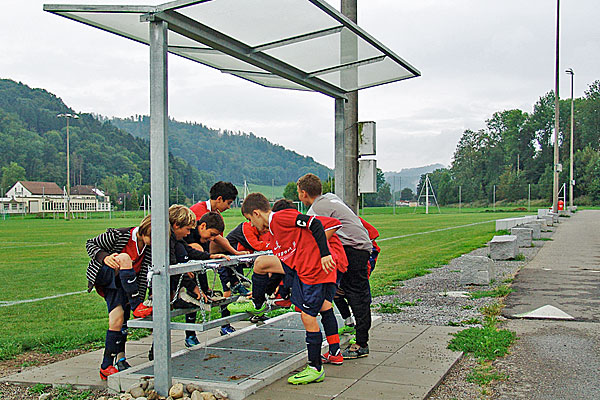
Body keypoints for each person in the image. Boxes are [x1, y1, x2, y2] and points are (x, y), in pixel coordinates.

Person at [228, 193, 346, 384]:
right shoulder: (274, 234)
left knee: (308, 317)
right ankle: (333, 354)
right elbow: (285, 265)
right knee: (323, 308)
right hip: (305, 272)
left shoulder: (281, 217)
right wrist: (270, 290)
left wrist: (322, 253)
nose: (251, 225)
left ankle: (315, 368)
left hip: (315, 271)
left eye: (250, 220)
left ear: (256, 213)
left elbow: (319, 224)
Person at [297, 173, 373, 359]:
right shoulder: (331, 198)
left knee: (356, 294)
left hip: (353, 250)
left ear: (304, 193)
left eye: (298, 192)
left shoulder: (316, 209)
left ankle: (361, 344)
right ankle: (350, 325)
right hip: (361, 246)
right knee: (337, 290)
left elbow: (306, 237)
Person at [85, 215, 153, 380]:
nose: (156, 241)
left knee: (117, 320)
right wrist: (105, 257)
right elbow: (90, 244)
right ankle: (137, 305)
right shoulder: (119, 235)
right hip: (107, 274)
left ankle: (106, 365)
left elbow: (146, 274)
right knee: (124, 257)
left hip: (124, 284)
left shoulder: (149, 248)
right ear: (144, 231)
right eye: (153, 236)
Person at [186, 181, 247, 335]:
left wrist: (233, 253)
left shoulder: (216, 215)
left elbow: (217, 238)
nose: (228, 207)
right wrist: (233, 251)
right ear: (219, 199)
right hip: (190, 257)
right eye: (229, 203)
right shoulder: (199, 211)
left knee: (203, 293)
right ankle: (189, 334)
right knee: (192, 294)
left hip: (203, 258)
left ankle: (234, 284)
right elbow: (217, 238)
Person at [169, 207, 230, 348]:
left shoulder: (177, 236)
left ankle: (197, 293)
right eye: (188, 230)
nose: (188, 234)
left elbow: (189, 251)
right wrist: (191, 281)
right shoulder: (171, 237)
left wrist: (210, 257)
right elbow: (172, 264)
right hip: (171, 278)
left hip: (183, 277)